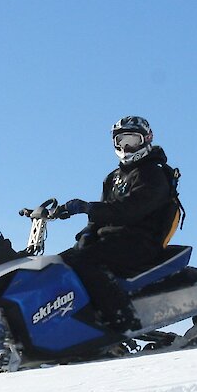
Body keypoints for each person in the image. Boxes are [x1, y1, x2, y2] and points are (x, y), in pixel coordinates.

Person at [56, 116, 184, 332]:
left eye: (132, 141)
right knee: (61, 263)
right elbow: (102, 217)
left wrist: (88, 207)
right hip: (113, 240)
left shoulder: (153, 173)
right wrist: (87, 233)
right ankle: (72, 322)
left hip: (141, 241)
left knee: (85, 261)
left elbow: (130, 209)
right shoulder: (113, 178)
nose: (126, 147)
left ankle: (121, 319)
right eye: (120, 141)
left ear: (146, 140)